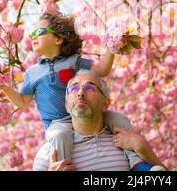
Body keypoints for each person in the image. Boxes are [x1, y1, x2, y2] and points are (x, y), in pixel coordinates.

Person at [0, 13, 153, 170]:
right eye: (32, 34)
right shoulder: (32, 73)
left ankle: (138, 165)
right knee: (60, 136)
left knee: (120, 120)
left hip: (84, 111)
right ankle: (62, 166)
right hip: (56, 123)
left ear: (58, 39)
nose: (33, 37)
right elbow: (23, 104)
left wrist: (112, 45)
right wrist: (4, 87)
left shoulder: (73, 61)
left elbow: (102, 70)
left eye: (39, 32)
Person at [32, 69, 166, 171]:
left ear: (105, 104)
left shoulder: (126, 141)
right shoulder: (50, 154)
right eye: (74, 88)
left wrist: (142, 147)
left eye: (89, 88)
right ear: (66, 105)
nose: (80, 93)